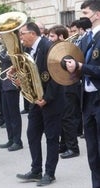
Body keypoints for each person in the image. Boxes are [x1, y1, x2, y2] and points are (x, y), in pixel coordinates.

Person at [11, 22, 64, 186]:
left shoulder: (49, 47)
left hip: (50, 100)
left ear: (32, 34)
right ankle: (36, 170)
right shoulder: (27, 50)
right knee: (32, 135)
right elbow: (29, 74)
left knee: (51, 138)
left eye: (22, 34)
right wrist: (20, 80)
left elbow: (57, 76)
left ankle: (49, 173)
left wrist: (46, 98)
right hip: (35, 101)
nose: (20, 38)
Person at [65, 1, 100, 187]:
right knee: (93, 154)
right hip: (88, 101)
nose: (83, 17)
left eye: (86, 12)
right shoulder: (88, 38)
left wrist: (81, 67)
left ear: (98, 14)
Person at [48, 24, 81, 159]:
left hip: (69, 86)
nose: (49, 39)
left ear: (61, 36)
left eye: (52, 36)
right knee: (62, 117)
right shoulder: (56, 49)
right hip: (61, 86)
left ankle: (73, 148)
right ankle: (64, 144)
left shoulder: (68, 49)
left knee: (68, 118)